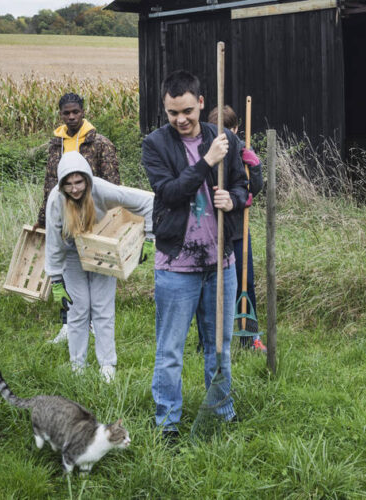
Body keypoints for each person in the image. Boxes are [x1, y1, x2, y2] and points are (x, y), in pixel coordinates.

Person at [142, 70, 249, 439]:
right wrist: (206, 162)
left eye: (187, 110)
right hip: (176, 266)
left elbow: (244, 183)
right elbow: (169, 192)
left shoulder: (226, 140)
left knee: (219, 348)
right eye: (173, 113)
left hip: (221, 263)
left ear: (201, 102)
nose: (181, 119)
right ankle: (167, 423)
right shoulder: (155, 144)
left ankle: (221, 413)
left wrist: (232, 198)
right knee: (170, 350)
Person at [44, 151, 153, 383]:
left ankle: (107, 365)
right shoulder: (56, 200)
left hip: (102, 248)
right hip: (73, 253)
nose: (75, 189)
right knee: (77, 309)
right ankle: (77, 366)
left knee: (103, 309)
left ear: (87, 179)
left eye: (79, 182)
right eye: (69, 184)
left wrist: (150, 238)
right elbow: (53, 242)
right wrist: (55, 280)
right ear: (62, 184)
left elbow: (147, 201)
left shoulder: (101, 189)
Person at [35, 92, 122, 344]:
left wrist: (111, 222)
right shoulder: (55, 144)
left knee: (93, 269)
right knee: (67, 270)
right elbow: (50, 183)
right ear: (60, 114)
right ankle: (69, 323)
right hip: (66, 218)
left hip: (94, 219)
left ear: (83, 112)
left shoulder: (100, 143)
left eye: (75, 112)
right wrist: (43, 217)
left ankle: (95, 322)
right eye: (66, 113)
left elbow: (113, 183)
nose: (71, 116)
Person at [202, 105, 266, 352]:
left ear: (236, 129)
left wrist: (256, 167)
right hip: (209, 230)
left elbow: (254, 188)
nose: (225, 136)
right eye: (220, 131)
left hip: (238, 230)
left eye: (229, 130)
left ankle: (249, 338)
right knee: (210, 285)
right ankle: (209, 340)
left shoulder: (242, 151)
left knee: (245, 282)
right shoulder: (205, 152)